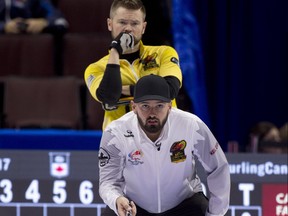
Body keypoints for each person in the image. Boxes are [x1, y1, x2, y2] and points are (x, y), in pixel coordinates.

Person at [98, 75, 230, 216]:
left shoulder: (191, 125)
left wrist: (215, 214)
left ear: (169, 106)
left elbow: (218, 167)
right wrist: (117, 199)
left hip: (185, 204)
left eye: (159, 106)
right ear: (134, 107)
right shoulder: (115, 132)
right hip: (134, 207)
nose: (152, 113)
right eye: (145, 106)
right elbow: (108, 182)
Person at [84, 0, 182, 130]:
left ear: (143, 27)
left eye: (135, 23)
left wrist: (124, 89)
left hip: (165, 137)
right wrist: (115, 50)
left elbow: (170, 90)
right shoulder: (96, 68)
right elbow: (108, 96)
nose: (128, 28)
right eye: (122, 22)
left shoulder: (164, 53)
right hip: (121, 141)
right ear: (110, 24)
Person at [0, 0, 68, 34]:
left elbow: (61, 21)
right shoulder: (3, 3)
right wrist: (5, 27)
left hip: (35, 48)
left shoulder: (40, 2)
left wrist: (44, 23)